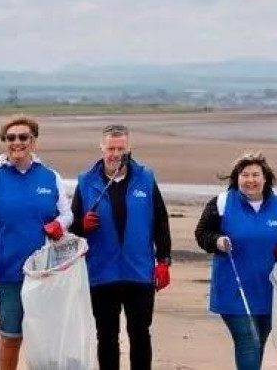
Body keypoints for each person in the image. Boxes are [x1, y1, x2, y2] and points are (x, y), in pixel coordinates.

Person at [0, 115, 73, 370]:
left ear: (33, 141)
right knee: (11, 336)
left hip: (46, 272)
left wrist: (60, 225)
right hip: (7, 272)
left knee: (46, 337)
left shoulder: (50, 177)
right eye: (11, 138)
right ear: (4, 142)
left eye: (23, 137)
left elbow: (67, 213)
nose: (17, 142)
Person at [69, 124, 172, 370]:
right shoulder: (86, 182)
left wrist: (164, 261)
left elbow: (160, 219)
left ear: (129, 149)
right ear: (102, 148)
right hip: (101, 273)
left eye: (121, 149)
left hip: (139, 272)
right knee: (106, 336)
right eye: (111, 148)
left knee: (140, 333)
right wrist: (82, 225)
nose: (116, 154)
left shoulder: (146, 178)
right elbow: (71, 228)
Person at [195, 151, 277, 370]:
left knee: (259, 342)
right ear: (237, 178)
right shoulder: (222, 203)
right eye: (245, 175)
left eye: (255, 175)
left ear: (265, 178)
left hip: (269, 291)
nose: (250, 180)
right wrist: (218, 240)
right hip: (233, 290)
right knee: (248, 342)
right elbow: (202, 233)